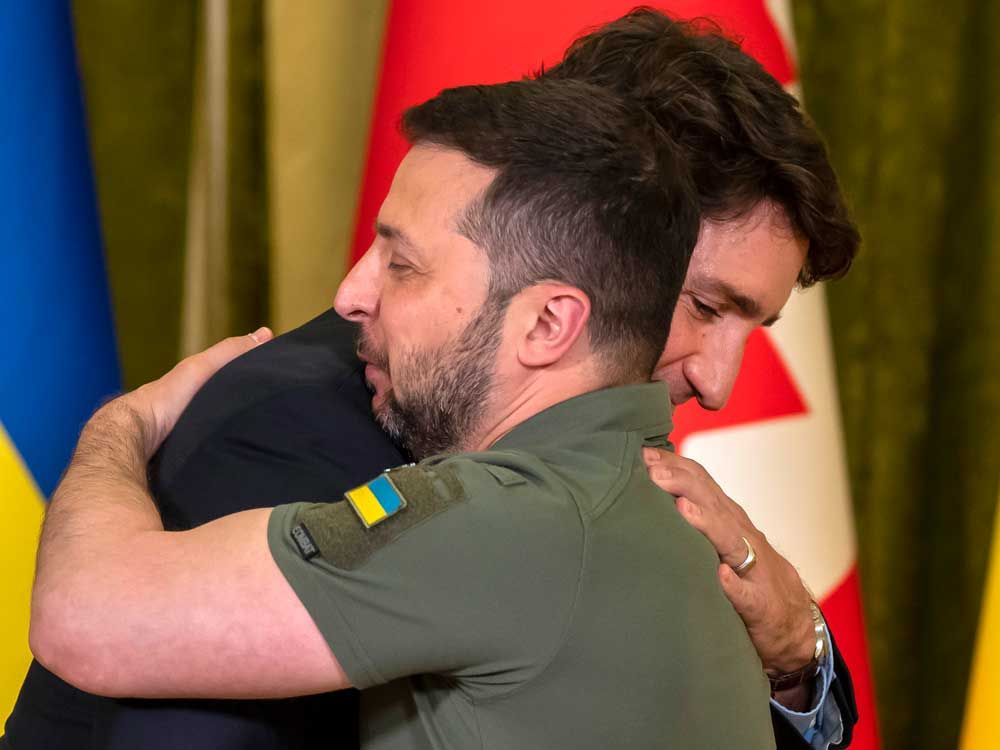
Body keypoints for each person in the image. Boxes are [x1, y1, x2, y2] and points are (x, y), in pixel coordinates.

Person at [3, 9, 859, 750]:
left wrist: (798, 653)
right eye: (707, 305)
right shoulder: (297, 423)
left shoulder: (624, 484)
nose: (719, 383)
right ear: (606, 226)